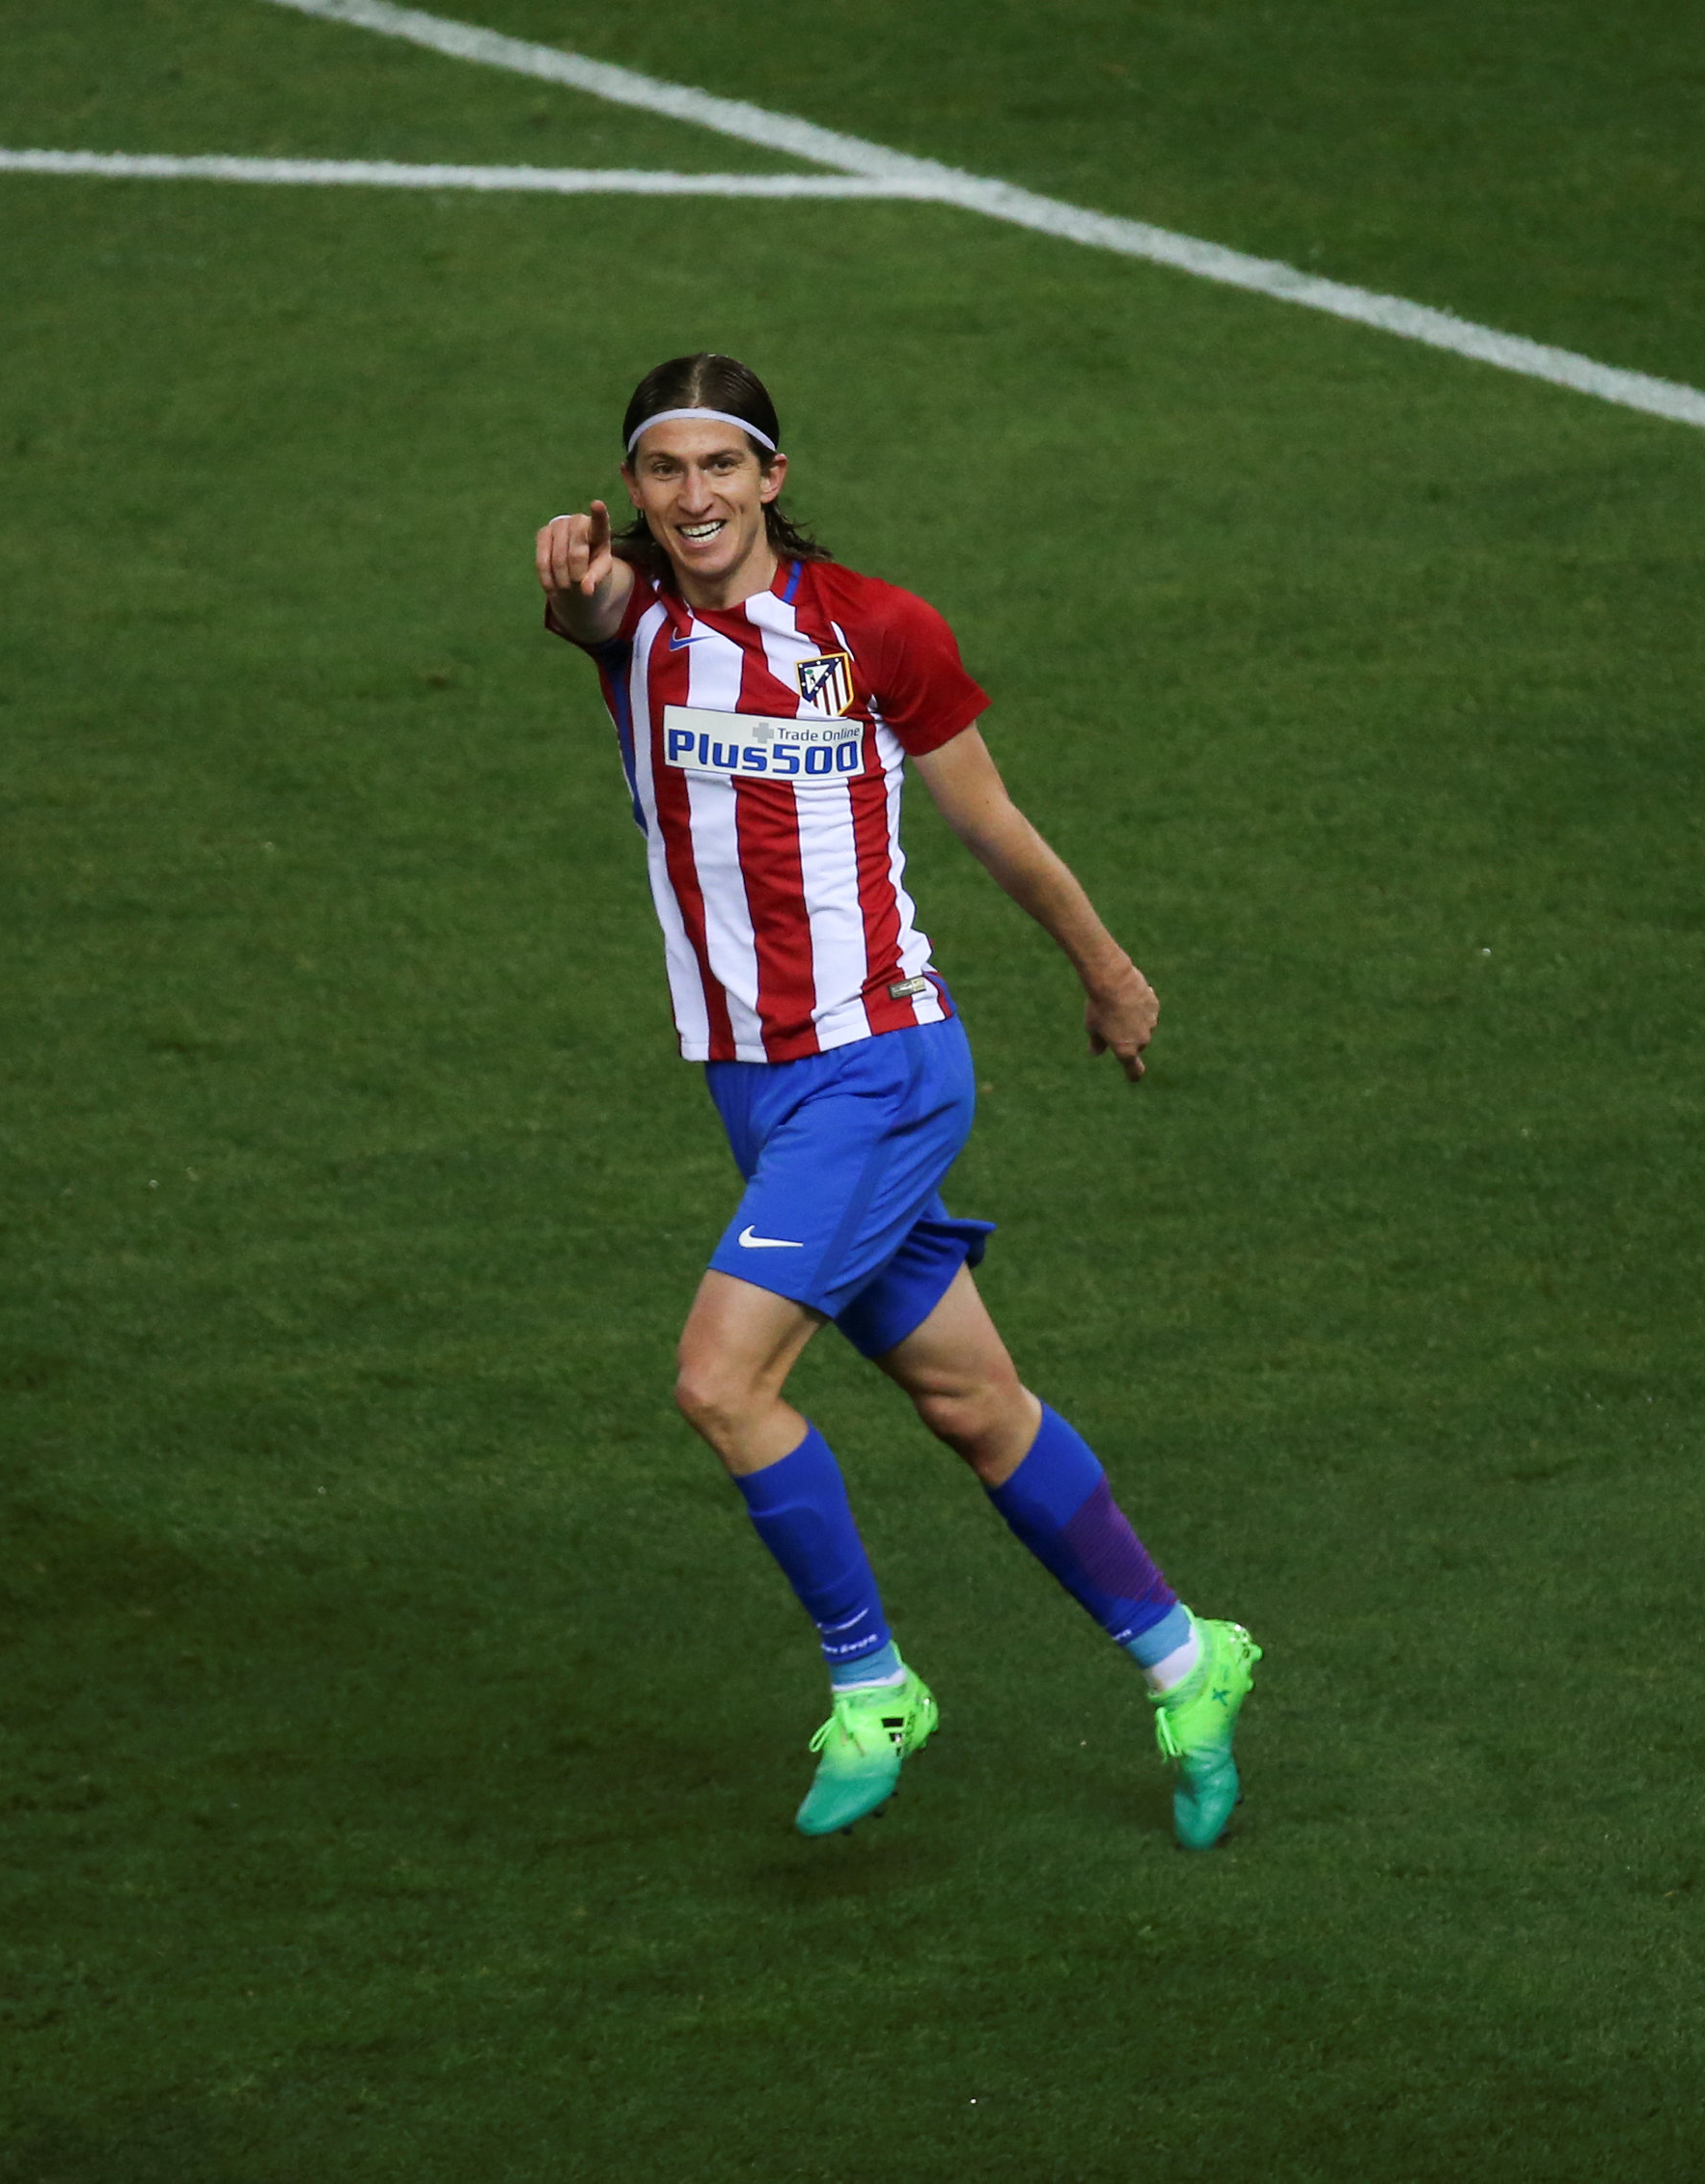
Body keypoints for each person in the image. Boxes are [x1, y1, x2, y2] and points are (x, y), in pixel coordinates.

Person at [532, 353, 1259, 1849]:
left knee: (723, 1384)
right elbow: (584, 605)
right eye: (662, 472)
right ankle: (1192, 1661)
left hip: (879, 1064)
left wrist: (1108, 971)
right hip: (757, 1089)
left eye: (720, 467)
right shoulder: (639, 627)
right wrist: (566, 566)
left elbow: (988, 820)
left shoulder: (871, 630)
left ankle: (874, 1687)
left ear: (772, 479)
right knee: (970, 1402)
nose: (693, 497)